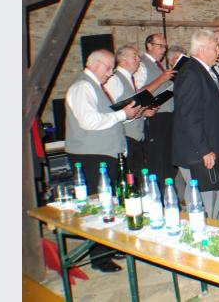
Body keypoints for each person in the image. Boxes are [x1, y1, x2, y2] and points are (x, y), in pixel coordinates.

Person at [65, 49, 142, 272]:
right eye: (108, 68)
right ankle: (99, 257)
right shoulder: (82, 87)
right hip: (91, 155)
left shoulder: (94, 87)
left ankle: (108, 246)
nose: (110, 74)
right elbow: (89, 121)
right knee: (99, 205)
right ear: (95, 64)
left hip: (104, 154)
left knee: (111, 203)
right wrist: (122, 115)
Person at [172, 29, 219, 220]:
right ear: (204, 49)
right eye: (216, 48)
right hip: (199, 151)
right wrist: (204, 149)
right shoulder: (190, 72)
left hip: (217, 146)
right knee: (206, 204)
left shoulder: (208, 71)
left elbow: (213, 104)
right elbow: (189, 116)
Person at [104, 45, 153, 171]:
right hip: (126, 139)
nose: (138, 59)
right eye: (134, 56)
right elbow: (108, 111)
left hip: (136, 139)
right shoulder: (114, 80)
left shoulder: (130, 79)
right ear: (123, 59)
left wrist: (143, 112)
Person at [137, 33, 176, 183]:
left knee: (167, 159)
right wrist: (162, 79)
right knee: (158, 160)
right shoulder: (142, 65)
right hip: (156, 118)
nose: (164, 50)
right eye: (160, 46)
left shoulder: (158, 66)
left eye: (165, 46)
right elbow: (139, 92)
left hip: (167, 116)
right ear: (149, 46)